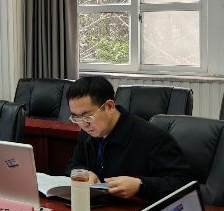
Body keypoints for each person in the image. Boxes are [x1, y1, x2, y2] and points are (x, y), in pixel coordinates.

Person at [65, 76, 194, 201]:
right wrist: (83, 173)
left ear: (109, 106)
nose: (83, 124)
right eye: (76, 117)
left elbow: (183, 183)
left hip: (135, 209)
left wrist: (140, 185)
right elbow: (74, 164)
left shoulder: (153, 138)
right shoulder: (88, 133)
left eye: (87, 116)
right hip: (99, 206)